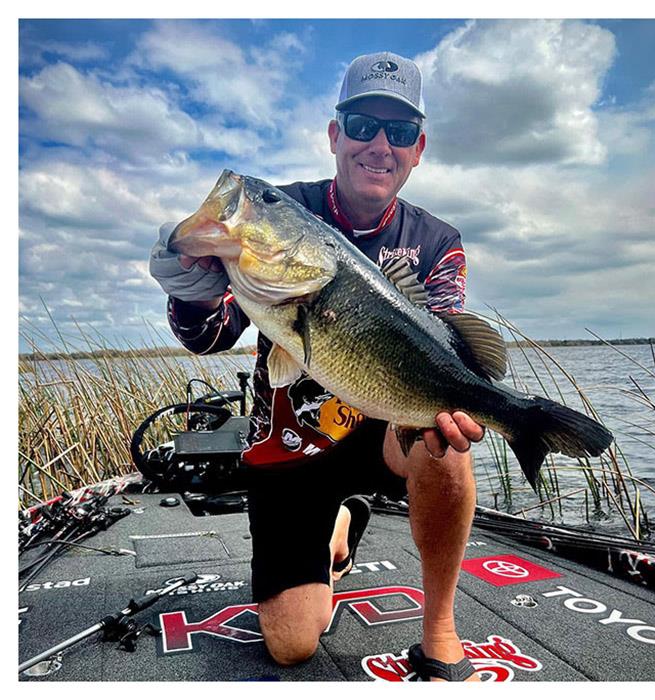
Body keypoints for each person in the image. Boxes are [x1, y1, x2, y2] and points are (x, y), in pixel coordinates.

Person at [150, 51, 484, 682]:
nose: (379, 145)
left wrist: (469, 405)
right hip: (288, 446)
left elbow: (447, 353)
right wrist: (190, 292)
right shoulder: (285, 214)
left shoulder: (438, 241)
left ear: (418, 150)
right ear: (335, 136)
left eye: (399, 132)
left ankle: (439, 628)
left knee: (447, 440)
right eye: (361, 125)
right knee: (292, 644)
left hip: (388, 430)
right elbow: (209, 336)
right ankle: (341, 520)